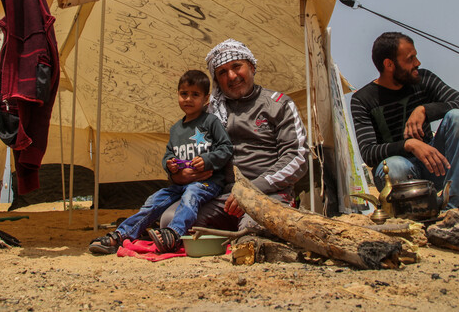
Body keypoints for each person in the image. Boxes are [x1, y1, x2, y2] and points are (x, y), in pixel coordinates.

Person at [161, 39, 309, 231]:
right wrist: (177, 177)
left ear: (252, 67)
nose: (231, 76)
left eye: (236, 66)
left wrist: (250, 190)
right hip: (220, 196)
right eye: (222, 72)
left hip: (267, 193)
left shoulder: (279, 104)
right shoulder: (207, 114)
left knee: (255, 228)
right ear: (216, 80)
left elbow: (297, 157)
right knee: (170, 221)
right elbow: (182, 153)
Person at [88, 70, 232, 254]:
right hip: (179, 184)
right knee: (154, 201)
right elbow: (168, 154)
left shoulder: (211, 122)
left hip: (207, 183)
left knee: (191, 195)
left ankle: (174, 233)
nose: (188, 99)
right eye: (184, 94)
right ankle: (120, 235)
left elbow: (226, 147)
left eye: (195, 95)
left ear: (206, 99)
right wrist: (170, 166)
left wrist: (207, 159)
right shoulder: (176, 129)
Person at [350, 32, 459, 210]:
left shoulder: (423, 79)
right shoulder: (363, 99)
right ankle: (418, 210)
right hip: (397, 175)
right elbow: (369, 153)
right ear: (389, 64)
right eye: (410, 59)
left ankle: (455, 207)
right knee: (395, 166)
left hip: (434, 165)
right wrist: (409, 145)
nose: (417, 63)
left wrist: (425, 110)